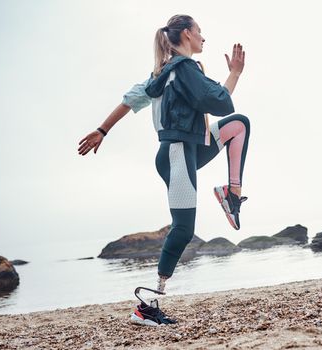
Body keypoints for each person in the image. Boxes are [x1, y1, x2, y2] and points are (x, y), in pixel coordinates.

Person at [78, 14, 250, 326]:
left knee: (238, 126)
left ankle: (231, 194)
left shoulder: (161, 73)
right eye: (200, 31)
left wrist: (102, 130)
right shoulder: (184, 68)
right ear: (186, 34)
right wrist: (235, 74)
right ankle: (147, 305)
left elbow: (129, 101)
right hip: (177, 152)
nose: (203, 37)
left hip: (186, 148)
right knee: (183, 229)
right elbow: (220, 101)